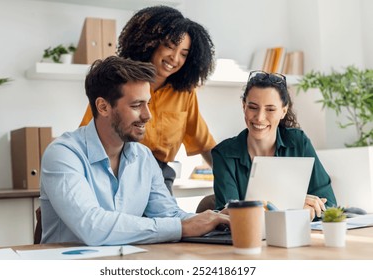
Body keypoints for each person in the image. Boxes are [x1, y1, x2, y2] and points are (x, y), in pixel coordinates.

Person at [40, 56, 229, 245]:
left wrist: (214, 220)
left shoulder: (144, 157)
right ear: (103, 107)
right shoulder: (63, 154)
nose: (148, 115)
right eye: (136, 105)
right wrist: (182, 227)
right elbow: (92, 226)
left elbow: (168, 215)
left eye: (147, 103)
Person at [79, 6, 216, 194]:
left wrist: (236, 184)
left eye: (184, 54)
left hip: (159, 176)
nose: (175, 58)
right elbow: (87, 137)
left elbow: (204, 144)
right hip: (115, 171)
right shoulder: (117, 82)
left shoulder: (185, 93)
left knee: (169, 221)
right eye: (169, 46)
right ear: (150, 43)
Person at [211, 70, 337, 221]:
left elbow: (329, 205)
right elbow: (228, 217)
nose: (259, 117)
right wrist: (293, 207)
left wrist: (307, 211)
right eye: (253, 107)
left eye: (270, 109)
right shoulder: (224, 153)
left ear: (283, 111)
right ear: (244, 106)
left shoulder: (298, 142)